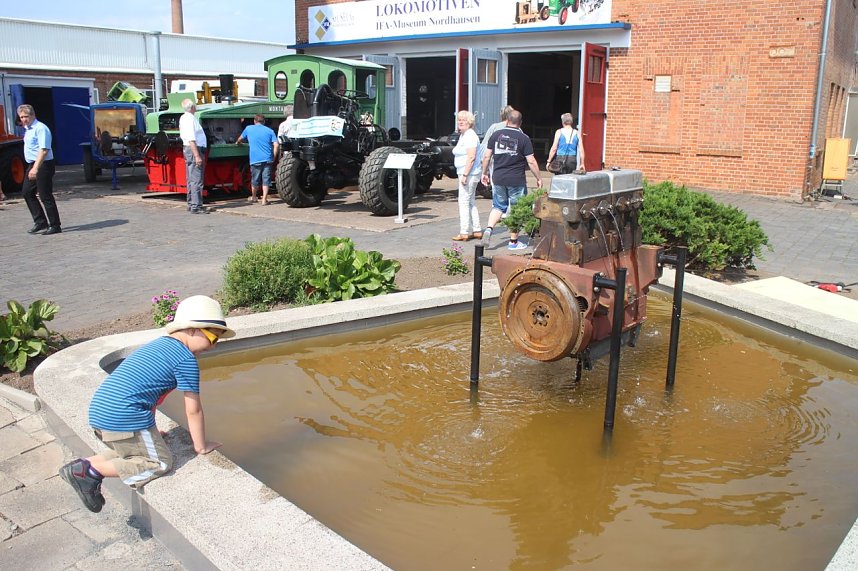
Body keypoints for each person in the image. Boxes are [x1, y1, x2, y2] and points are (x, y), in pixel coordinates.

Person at [58, 295, 234, 513]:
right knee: (159, 463)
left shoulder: (159, 346)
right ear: (193, 329)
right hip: (123, 419)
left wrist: (150, 433)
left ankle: (83, 465)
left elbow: (147, 393)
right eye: (213, 338)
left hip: (102, 414)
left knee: (135, 454)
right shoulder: (185, 360)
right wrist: (201, 446)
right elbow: (194, 409)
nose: (212, 347)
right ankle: (91, 472)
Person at [479, 110, 543, 251]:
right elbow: (531, 161)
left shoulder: (495, 135)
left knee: (498, 206)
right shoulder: (524, 138)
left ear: (507, 120)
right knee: (517, 209)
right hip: (516, 179)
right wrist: (539, 178)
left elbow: (486, 157)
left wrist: (484, 173)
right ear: (520, 123)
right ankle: (513, 242)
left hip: (498, 177)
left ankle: (489, 229)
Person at [18, 104, 61, 234]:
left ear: (33, 115)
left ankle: (55, 225)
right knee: (27, 192)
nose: (24, 119)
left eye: (26, 116)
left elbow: (44, 150)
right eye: (21, 117)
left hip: (43, 164)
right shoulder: (28, 129)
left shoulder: (41, 128)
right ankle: (40, 221)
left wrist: (35, 168)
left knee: (45, 195)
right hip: (32, 164)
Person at [451, 110, 483, 241]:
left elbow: (471, 156)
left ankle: (464, 231)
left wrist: (465, 174)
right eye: (459, 120)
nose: (460, 122)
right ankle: (477, 229)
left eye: (464, 120)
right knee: (470, 201)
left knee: (463, 201)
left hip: (469, 173)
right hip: (469, 173)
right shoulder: (464, 135)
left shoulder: (469, 135)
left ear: (470, 122)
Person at [236, 114, 279, 205]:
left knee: (255, 179)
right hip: (267, 158)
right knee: (266, 179)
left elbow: (240, 139)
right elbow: (276, 145)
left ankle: (254, 197)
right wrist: (274, 156)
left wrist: (238, 142)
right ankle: (264, 200)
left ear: (254, 121)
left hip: (255, 159)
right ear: (264, 122)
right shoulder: (270, 131)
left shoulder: (249, 128)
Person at [179, 98, 207, 214]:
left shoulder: (183, 117)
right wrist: (197, 156)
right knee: (196, 179)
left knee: (191, 178)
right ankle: (196, 206)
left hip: (188, 149)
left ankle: (191, 203)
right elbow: (191, 139)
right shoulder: (190, 119)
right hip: (194, 149)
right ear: (192, 108)